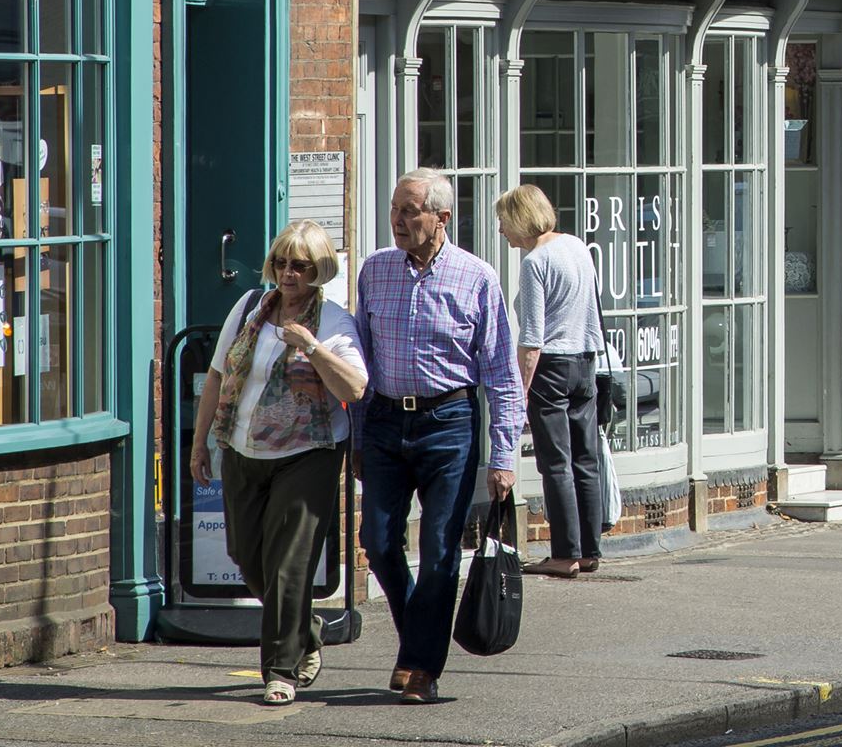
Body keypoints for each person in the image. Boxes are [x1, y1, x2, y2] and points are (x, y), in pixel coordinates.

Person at [354, 169, 524, 705]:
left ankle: (422, 668)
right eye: (394, 210)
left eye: (409, 211)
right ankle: (418, 642)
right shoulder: (375, 271)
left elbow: (501, 374)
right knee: (378, 543)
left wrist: (503, 456)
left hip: (449, 422)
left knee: (439, 550)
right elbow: (361, 359)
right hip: (383, 420)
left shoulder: (477, 278)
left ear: (441, 218)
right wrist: (358, 438)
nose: (397, 221)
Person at [189, 221, 368, 705]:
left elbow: (354, 388)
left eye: (301, 266)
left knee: (289, 565)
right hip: (244, 449)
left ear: (319, 271)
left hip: (307, 454)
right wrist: (200, 442)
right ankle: (305, 628)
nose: (288, 274)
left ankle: (281, 671)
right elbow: (217, 376)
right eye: (282, 263)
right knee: (247, 555)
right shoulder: (249, 307)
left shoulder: (333, 322)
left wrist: (309, 346)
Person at [498, 183, 607, 579]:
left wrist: (520, 390)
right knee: (585, 459)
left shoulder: (535, 262)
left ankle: (565, 553)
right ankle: (590, 549)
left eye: (503, 222)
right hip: (585, 362)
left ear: (519, 219)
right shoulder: (577, 246)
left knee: (555, 463)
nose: (500, 231)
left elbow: (532, 337)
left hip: (551, 368)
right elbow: (593, 310)